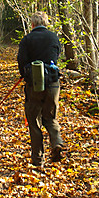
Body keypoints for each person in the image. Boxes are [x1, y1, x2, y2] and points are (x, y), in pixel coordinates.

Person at [17, 11, 64, 167]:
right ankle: (57, 143)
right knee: (50, 117)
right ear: (46, 23)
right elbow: (56, 56)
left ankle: (38, 160)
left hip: (34, 86)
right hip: (53, 83)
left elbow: (22, 63)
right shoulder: (54, 37)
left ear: (33, 24)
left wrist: (26, 75)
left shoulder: (27, 39)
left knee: (34, 122)